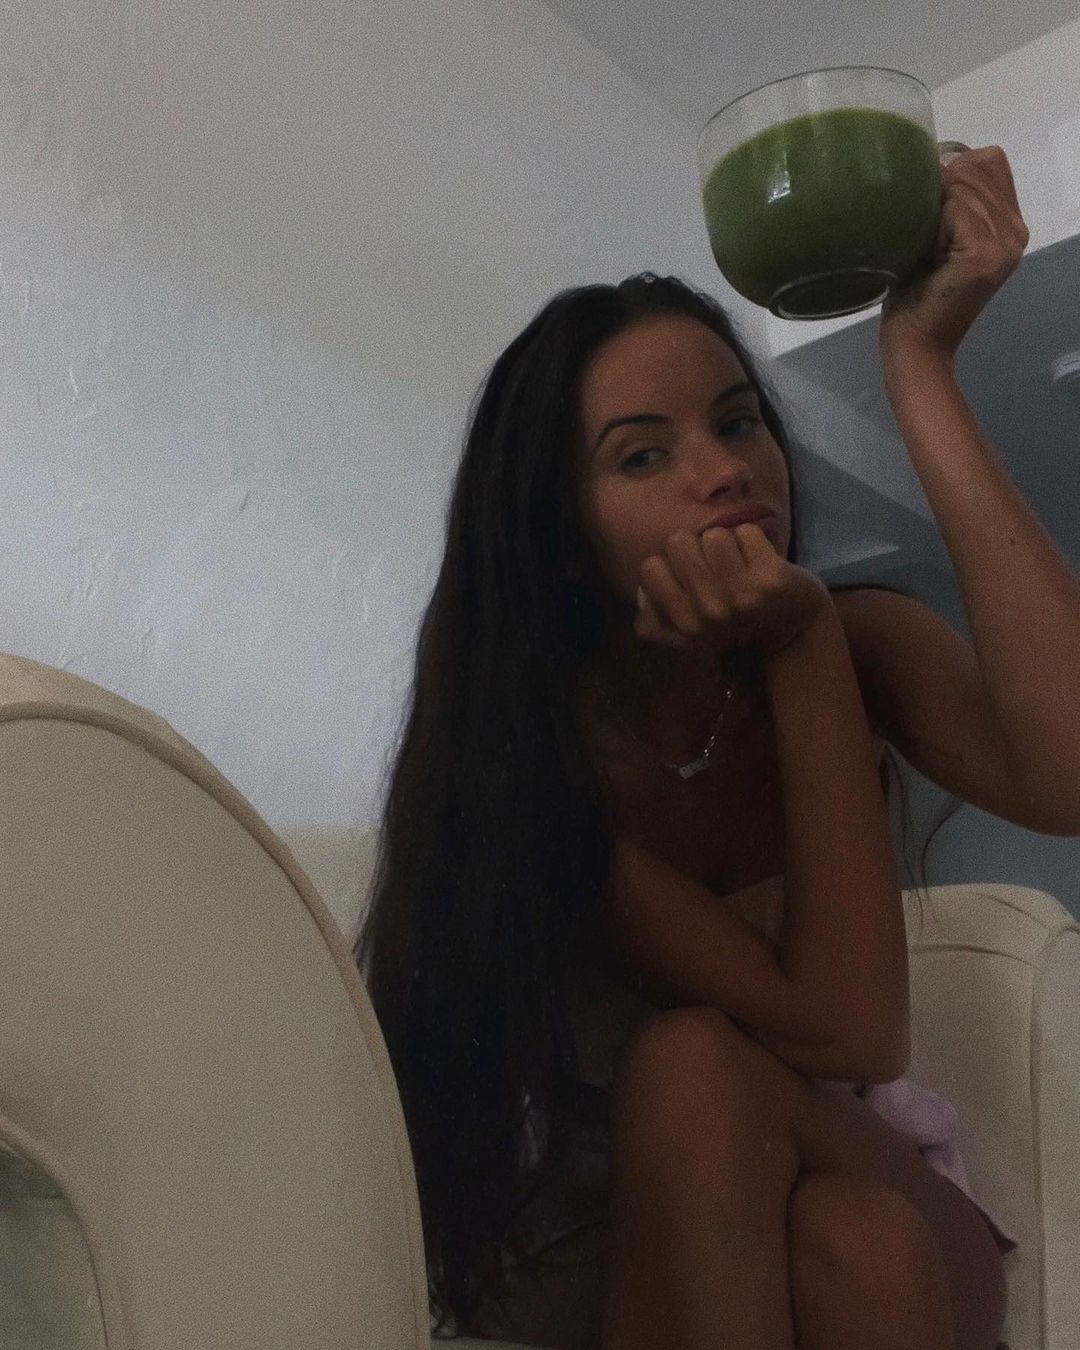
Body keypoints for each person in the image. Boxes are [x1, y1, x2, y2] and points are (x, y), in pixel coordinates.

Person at [356, 149, 1075, 1349]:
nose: (725, 470)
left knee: (850, 1214)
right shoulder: (537, 768)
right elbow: (849, 1027)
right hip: (616, 1231)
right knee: (728, 1102)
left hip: (849, 1155)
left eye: (738, 422)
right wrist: (798, 642)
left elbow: (1066, 773)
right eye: (644, 455)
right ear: (564, 540)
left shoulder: (858, 642)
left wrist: (921, 370)